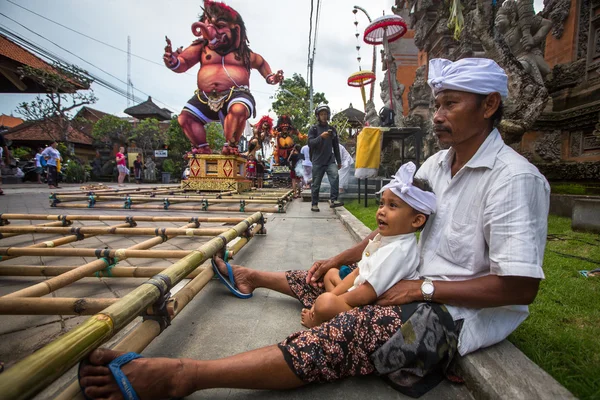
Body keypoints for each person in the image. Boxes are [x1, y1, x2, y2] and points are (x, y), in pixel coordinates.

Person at [78, 57, 549, 399]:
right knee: (330, 277)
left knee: (338, 329)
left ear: (489, 105)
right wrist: (342, 260)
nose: (439, 115)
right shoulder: (435, 164)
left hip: (452, 314)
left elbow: (520, 286)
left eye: (450, 104)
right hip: (408, 281)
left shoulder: (515, 179)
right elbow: (394, 231)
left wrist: (420, 289)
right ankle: (255, 277)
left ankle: (186, 375)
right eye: (438, 104)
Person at [301, 162, 435, 328]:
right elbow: (358, 271)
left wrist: (329, 302)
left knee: (325, 302)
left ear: (416, 220)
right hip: (360, 292)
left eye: (392, 205)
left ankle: (319, 321)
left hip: (371, 306)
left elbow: (365, 294)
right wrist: (333, 297)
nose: (381, 211)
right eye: (381, 203)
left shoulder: (399, 251)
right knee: (331, 274)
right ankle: (331, 314)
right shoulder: (386, 238)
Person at [164, 1, 283, 155]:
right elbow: (183, 63)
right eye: (207, 25)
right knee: (185, 118)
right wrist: (173, 61)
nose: (212, 31)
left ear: (236, 29)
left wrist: (271, 77)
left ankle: (231, 145)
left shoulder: (243, 54)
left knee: (239, 109)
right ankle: (201, 147)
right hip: (205, 97)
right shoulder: (201, 48)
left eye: (220, 26)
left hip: (236, 94)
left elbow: (260, 63)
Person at [308, 103, 343, 212]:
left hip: (330, 160)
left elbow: (336, 146)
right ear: (318, 116)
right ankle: (314, 204)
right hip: (317, 161)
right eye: (321, 114)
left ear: (328, 115)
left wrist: (339, 160)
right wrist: (320, 137)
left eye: (325, 114)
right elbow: (310, 143)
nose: (323, 116)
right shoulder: (313, 129)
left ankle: (334, 200)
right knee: (316, 184)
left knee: (335, 177)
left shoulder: (332, 129)